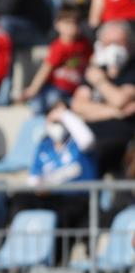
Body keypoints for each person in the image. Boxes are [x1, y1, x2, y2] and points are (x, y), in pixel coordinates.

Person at [8, 102, 97, 253]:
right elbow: (33, 179)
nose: (57, 122)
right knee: (20, 199)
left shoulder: (78, 142)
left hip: (75, 199)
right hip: (49, 197)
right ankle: (14, 255)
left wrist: (64, 114)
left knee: (62, 214)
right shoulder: (44, 146)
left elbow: (87, 140)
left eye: (61, 118)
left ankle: (56, 259)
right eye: (54, 118)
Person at [71, 20, 135, 174]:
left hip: (120, 142)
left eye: (119, 42)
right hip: (88, 139)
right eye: (108, 42)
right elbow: (78, 106)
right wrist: (115, 112)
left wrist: (100, 81)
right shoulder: (94, 70)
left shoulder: (131, 69)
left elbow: (120, 100)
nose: (114, 47)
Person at [19, 4, 92, 113]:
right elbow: (46, 68)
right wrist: (33, 89)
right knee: (45, 102)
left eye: (75, 23)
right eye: (67, 23)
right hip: (55, 87)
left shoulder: (84, 44)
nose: (72, 27)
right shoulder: (58, 47)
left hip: (75, 89)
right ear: (57, 25)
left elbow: (91, 62)